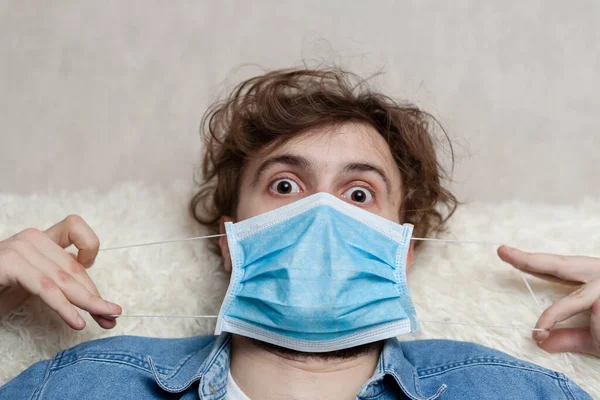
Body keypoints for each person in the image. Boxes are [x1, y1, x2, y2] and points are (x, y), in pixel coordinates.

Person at [0, 68, 595, 399]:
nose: (321, 214)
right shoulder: (85, 387)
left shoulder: (507, 394)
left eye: (359, 193)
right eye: (285, 185)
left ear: (402, 251)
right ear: (232, 241)